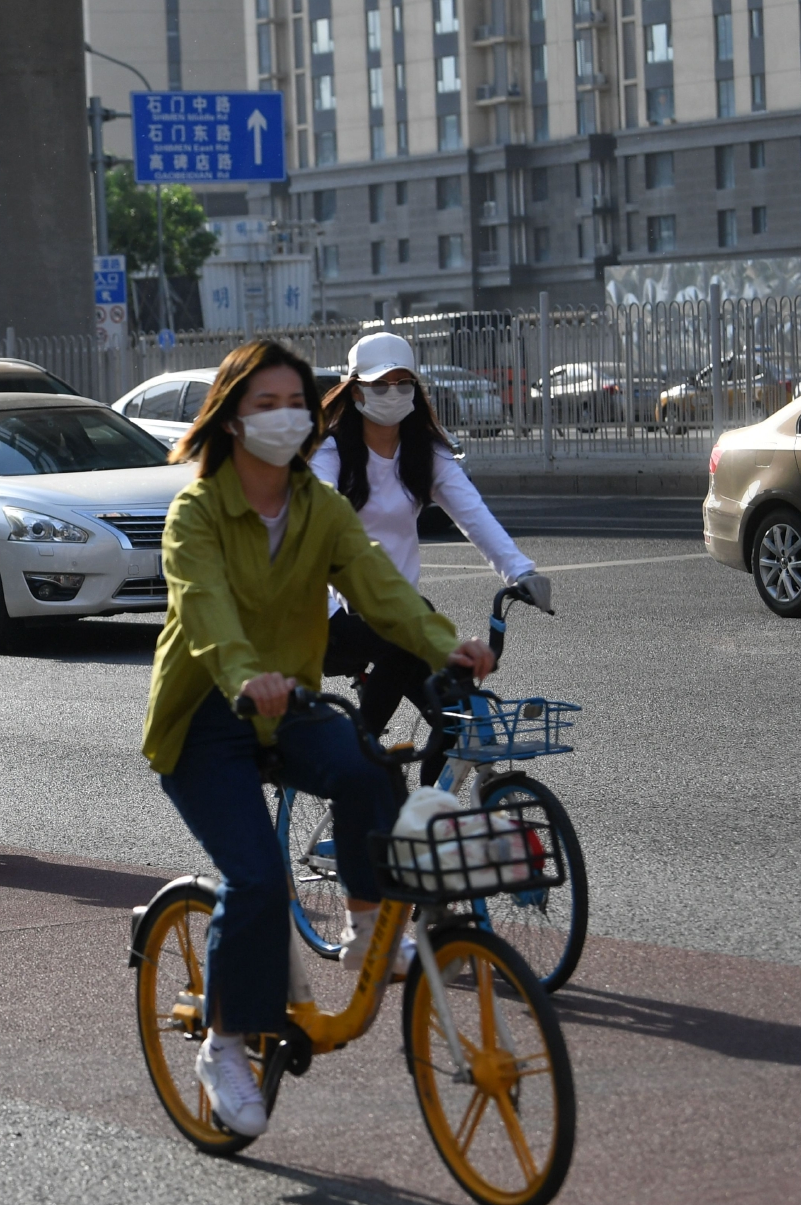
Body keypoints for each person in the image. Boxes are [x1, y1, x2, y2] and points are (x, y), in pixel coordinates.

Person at [143, 340, 496, 1139]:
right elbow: (205, 611)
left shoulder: (318, 507)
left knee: (371, 770)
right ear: (232, 419)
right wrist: (245, 675)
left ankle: (367, 932)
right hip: (207, 718)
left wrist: (445, 645)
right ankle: (225, 1045)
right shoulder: (196, 513)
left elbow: (379, 586)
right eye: (264, 404)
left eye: (295, 403)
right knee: (259, 881)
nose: (284, 417)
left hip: (291, 703)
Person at [311, 332, 551, 783]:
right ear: (356, 390)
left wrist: (520, 570)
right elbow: (318, 514)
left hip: (399, 613)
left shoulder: (425, 451)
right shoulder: (330, 451)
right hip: (331, 616)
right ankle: (352, 761)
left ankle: (428, 810)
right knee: (406, 640)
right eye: (380, 385)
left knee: (454, 716)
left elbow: (472, 513)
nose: (393, 393)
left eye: (403, 383)